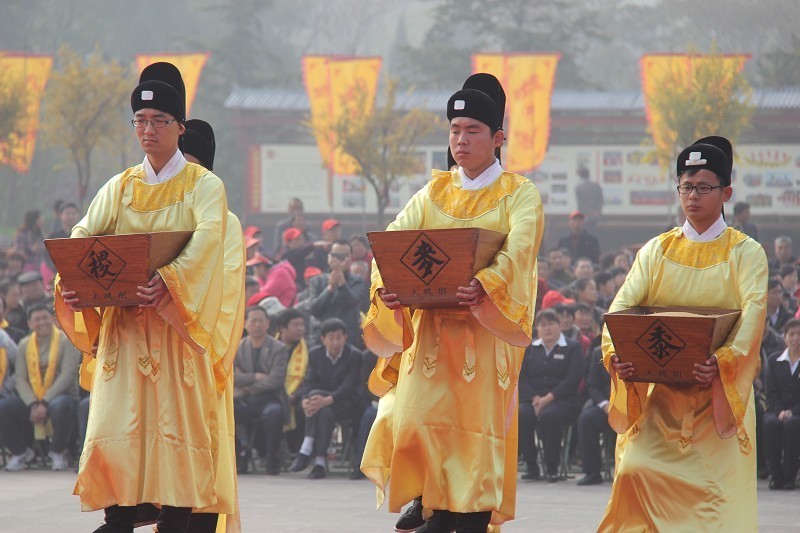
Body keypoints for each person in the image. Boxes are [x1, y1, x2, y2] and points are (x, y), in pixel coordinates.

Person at [55, 63, 244, 533]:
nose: (148, 129)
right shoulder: (119, 187)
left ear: (180, 127)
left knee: (177, 434)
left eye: (160, 120)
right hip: (125, 336)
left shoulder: (205, 186)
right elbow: (83, 237)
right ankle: (119, 513)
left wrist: (170, 282)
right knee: (116, 428)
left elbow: (209, 240)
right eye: (140, 120)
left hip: (176, 333)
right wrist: (74, 284)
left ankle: (176, 517)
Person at [362, 73, 543, 532]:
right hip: (431, 338)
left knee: (473, 435)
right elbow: (393, 243)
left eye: (473, 131)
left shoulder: (520, 194)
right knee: (417, 419)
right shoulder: (433, 192)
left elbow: (519, 249)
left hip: (483, 337)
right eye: (454, 130)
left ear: (497, 138)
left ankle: (457, 516)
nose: (461, 140)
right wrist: (387, 284)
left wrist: (485, 283)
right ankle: (431, 503)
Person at [600, 136, 768, 531]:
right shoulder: (656, 251)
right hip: (660, 399)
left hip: (715, 402)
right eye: (686, 187)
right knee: (633, 474)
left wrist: (723, 362)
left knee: (712, 505)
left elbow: (753, 315)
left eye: (704, 187)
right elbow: (620, 309)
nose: (693, 196)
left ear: (726, 192)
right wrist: (616, 354)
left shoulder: (746, 253)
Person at [0, 303, 80, 471]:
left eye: (45, 317)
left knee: (60, 406)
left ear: (53, 319)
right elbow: (20, 378)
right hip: (33, 399)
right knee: (4, 407)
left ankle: (58, 451)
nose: (42, 322)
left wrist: (44, 401)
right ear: (29, 323)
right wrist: (33, 403)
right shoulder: (24, 344)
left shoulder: (67, 341)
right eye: (37, 319)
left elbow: (67, 375)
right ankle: (21, 452)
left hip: (61, 396)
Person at [289, 318, 361, 479]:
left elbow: (348, 387)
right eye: (331, 338)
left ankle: (306, 449)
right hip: (322, 405)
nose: (335, 342)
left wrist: (328, 399)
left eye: (339, 337)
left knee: (320, 402)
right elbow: (309, 381)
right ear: (323, 339)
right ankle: (319, 463)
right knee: (324, 411)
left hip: (346, 403)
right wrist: (305, 399)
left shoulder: (354, 355)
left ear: (345, 337)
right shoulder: (315, 354)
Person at [518, 309, 585, 482]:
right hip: (534, 399)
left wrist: (549, 398)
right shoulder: (530, 349)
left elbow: (573, 378)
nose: (547, 328)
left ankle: (552, 466)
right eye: (543, 325)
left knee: (550, 416)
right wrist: (535, 398)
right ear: (537, 329)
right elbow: (522, 377)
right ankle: (531, 465)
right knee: (522, 414)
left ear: (559, 326)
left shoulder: (573, 347)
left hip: (564, 400)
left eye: (551, 324)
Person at [233, 306, 289, 475]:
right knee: (227, 411)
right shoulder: (237, 346)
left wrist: (247, 384)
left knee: (274, 413)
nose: (257, 325)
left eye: (261, 321)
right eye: (253, 320)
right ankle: (240, 455)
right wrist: (256, 376)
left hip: (269, 399)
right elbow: (231, 376)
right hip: (244, 400)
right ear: (245, 324)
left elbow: (275, 380)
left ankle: (272, 459)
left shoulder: (279, 348)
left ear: (267, 323)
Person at [302, 239, 368, 349]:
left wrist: (341, 282)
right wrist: (330, 288)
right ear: (329, 257)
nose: (340, 259)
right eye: (336, 255)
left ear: (351, 257)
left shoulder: (358, 281)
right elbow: (314, 309)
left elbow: (352, 301)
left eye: (344, 256)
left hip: (349, 340)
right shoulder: (317, 281)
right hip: (321, 340)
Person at [763, 318, 800, 490]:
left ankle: (789, 476)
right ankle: (775, 476)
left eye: (799, 334)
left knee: (791, 426)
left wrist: (792, 411)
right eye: (791, 334)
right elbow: (771, 392)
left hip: (797, 412)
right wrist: (779, 411)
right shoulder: (773, 360)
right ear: (785, 337)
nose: (796, 338)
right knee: (770, 423)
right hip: (777, 409)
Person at [576, 346, 614, 486]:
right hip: (607, 405)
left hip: (636, 405)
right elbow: (592, 384)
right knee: (587, 419)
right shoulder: (600, 351)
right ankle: (592, 472)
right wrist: (605, 405)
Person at [574, 166, 603, 234]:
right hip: (596, 217)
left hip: (584, 217)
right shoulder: (596, 186)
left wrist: (589, 212)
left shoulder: (578, 188)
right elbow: (600, 200)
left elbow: (581, 204)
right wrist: (597, 212)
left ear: (580, 176)